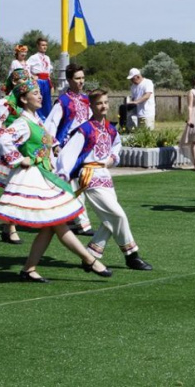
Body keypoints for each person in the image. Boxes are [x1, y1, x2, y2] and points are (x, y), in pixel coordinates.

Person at [0, 79, 112, 282]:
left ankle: (29, 268)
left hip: (45, 175)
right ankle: (89, 260)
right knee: (57, 223)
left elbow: (44, 138)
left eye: (40, 92)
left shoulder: (35, 119)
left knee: (52, 225)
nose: (40, 96)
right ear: (23, 98)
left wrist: (54, 146)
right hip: (35, 178)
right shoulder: (22, 122)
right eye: (35, 93)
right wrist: (19, 159)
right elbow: (4, 139)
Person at [57, 88, 153, 270]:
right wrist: (62, 177)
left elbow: (117, 145)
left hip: (105, 176)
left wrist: (112, 159)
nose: (103, 106)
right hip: (90, 176)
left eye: (105, 102)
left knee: (110, 219)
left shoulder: (109, 128)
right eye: (99, 103)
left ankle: (91, 254)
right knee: (118, 215)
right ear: (91, 106)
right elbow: (66, 155)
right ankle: (132, 256)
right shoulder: (85, 129)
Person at [0, 68, 33, 244]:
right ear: (12, 83)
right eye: (18, 81)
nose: (21, 84)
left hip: (27, 150)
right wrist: (5, 135)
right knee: (14, 189)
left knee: (22, 190)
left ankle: (8, 226)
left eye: (25, 80)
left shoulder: (25, 102)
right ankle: (10, 228)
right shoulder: (6, 103)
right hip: (13, 152)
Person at [45, 63, 94, 236]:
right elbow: (51, 124)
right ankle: (83, 224)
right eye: (77, 78)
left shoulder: (86, 100)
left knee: (78, 184)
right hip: (66, 149)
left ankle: (65, 219)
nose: (81, 82)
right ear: (68, 80)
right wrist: (55, 144)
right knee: (74, 183)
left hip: (83, 147)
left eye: (82, 78)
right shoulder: (63, 101)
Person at [26, 37, 54, 120]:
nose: (44, 47)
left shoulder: (47, 58)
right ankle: (37, 118)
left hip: (46, 81)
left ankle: (47, 119)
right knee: (38, 100)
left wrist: (51, 84)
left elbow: (49, 71)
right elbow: (26, 67)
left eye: (46, 45)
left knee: (47, 102)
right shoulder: (33, 57)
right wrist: (31, 76)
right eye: (42, 45)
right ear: (38, 46)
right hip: (38, 81)